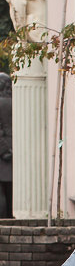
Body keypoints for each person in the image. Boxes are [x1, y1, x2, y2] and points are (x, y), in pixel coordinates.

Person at [0, 73, 13, 218]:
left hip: (4, 155)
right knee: (11, 191)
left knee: (2, 192)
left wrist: (4, 150)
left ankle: (3, 220)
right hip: (15, 152)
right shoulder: (16, 102)